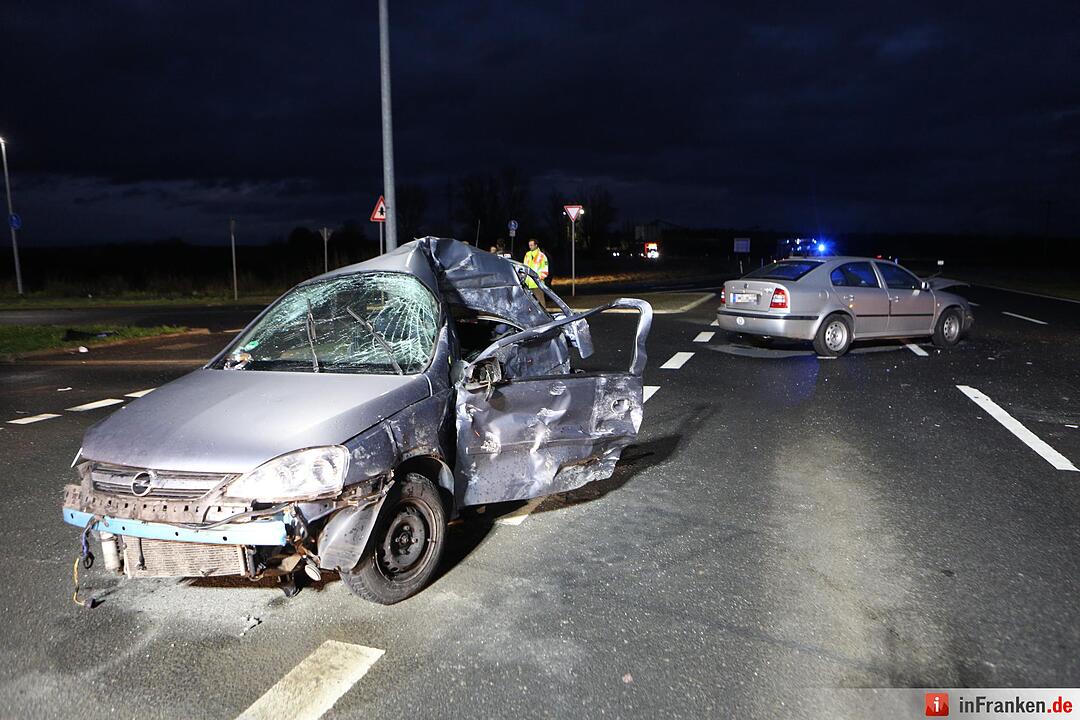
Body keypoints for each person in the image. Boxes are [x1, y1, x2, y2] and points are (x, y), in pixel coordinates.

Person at [523, 239, 549, 307]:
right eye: (529, 245)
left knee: (541, 302)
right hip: (528, 283)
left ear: (536, 245)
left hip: (537, 283)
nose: (530, 246)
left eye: (531, 245)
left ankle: (544, 317)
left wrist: (539, 278)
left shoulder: (542, 256)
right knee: (530, 303)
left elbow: (545, 270)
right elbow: (524, 267)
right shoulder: (527, 254)